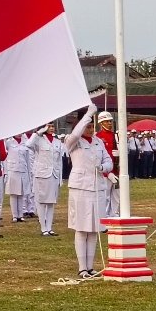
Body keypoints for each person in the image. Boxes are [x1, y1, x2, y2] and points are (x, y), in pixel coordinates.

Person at [65, 104, 114, 280]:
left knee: (94, 228)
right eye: (88, 126)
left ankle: (91, 267)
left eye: (92, 126)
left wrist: (103, 167)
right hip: (80, 188)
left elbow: (109, 161)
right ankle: (82, 267)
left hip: (97, 187)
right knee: (81, 228)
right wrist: (88, 114)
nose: (91, 129)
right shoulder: (73, 142)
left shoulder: (98, 142)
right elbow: (75, 134)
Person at [26, 121, 64, 236]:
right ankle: (43, 228)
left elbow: (59, 161)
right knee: (41, 201)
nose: (51, 128)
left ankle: (49, 227)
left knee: (51, 202)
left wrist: (60, 177)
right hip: (42, 174)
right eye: (49, 126)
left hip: (53, 174)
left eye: (53, 126)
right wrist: (38, 132)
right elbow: (28, 144)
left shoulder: (57, 141)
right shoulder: (38, 139)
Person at [94, 111, 120, 218]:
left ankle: (114, 214)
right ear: (101, 123)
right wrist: (107, 173)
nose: (109, 123)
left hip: (117, 170)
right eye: (107, 121)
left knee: (117, 196)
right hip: (105, 172)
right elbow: (97, 158)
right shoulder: (98, 137)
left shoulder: (116, 136)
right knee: (105, 197)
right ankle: (103, 217)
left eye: (110, 121)